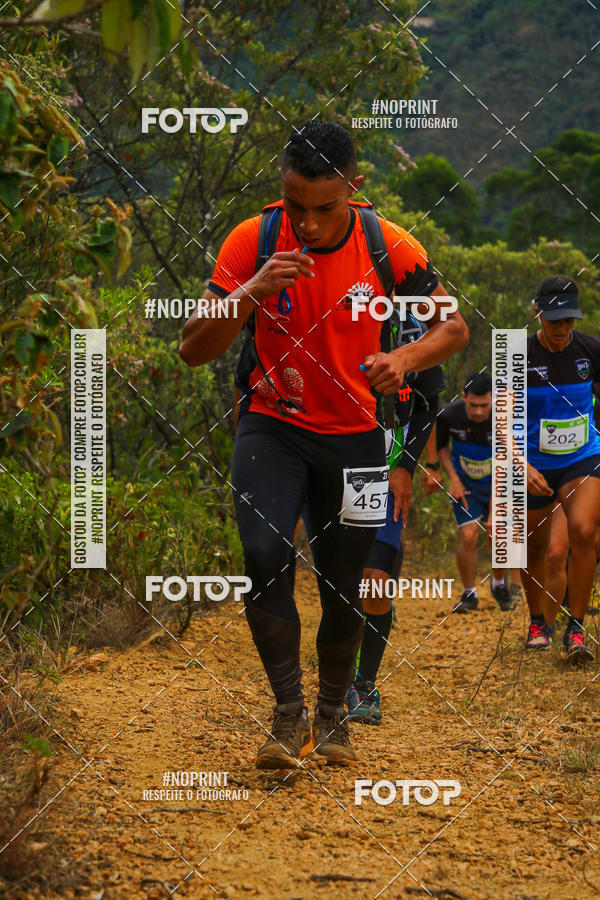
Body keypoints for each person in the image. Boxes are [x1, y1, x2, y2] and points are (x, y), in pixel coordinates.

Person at [179, 120, 468, 768]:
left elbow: (453, 329)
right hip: (273, 426)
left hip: (359, 441)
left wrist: (404, 358)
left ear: (354, 190)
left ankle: (332, 716)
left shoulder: (386, 244)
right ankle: (288, 717)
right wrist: (252, 292)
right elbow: (193, 346)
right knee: (263, 553)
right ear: (281, 191)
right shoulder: (252, 240)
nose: (306, 224)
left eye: (323, 208)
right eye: (294, 206)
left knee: (347, 585)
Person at [346, 314, 444, 725]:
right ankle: (333, 676)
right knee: (342, 582)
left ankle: (363, 685)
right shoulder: (337, 309)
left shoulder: (412, 326)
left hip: (383, 472)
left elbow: (428, 403)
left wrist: (407, 466)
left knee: (374, 581)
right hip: (329, 458)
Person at [522, 276, 600, 662]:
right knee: (534, 549)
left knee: (584, 530)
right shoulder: (515, 353)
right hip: (532, 463)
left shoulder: (590, 350)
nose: (562, 329)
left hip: (581, 456)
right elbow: (500, 418)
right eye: (555, 321)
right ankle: (538, 621)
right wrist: (520, 464)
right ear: (537, 313)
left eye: (569, 321)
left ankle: (576, 627)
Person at [436, 373, 520, 613]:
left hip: (499, 483)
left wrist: (494, 511)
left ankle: (498, 585)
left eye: (485, 405)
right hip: (466, 487)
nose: (480, 411)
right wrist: (453, 479)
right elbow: (441, 446)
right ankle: (469, 593)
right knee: (469, 535)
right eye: (474, 405)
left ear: (494, 399)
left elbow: (504, 464)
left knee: (498, 533)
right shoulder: (449, 415)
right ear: (464, 397)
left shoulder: (504, 419)